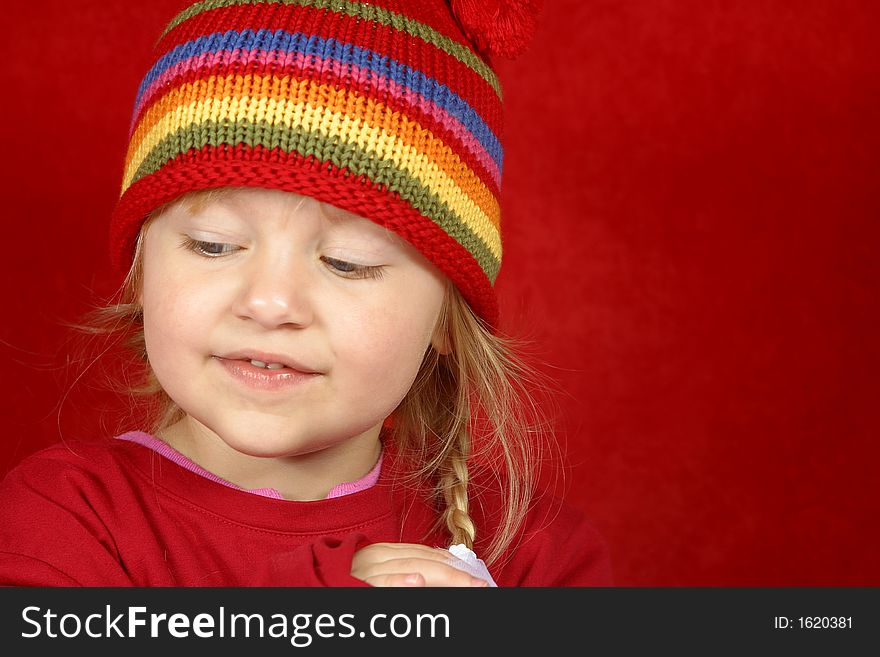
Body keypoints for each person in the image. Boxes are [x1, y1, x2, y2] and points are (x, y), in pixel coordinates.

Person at [0, 0, 612, 587]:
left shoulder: (535, 553)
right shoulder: (63, 522)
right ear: (140, 272)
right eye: (213, 245)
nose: (269, 303)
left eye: (347, 263)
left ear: (446, 319)